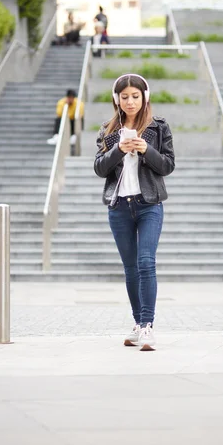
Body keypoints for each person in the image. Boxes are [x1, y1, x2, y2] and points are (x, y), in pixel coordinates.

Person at [94, 74, 175, 351]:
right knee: (130, 269)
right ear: (117, 99)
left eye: (135, 96)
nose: (130, 101)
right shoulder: (107, 129)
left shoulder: (159, 127)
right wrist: (118, 149)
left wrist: (145, 150)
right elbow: (99, 168)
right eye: (125, 96)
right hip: (119, 207)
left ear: (145, 97)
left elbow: (167, 166)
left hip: (149, 204)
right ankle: (138, 323)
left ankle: (147, 327)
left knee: (145, 262)